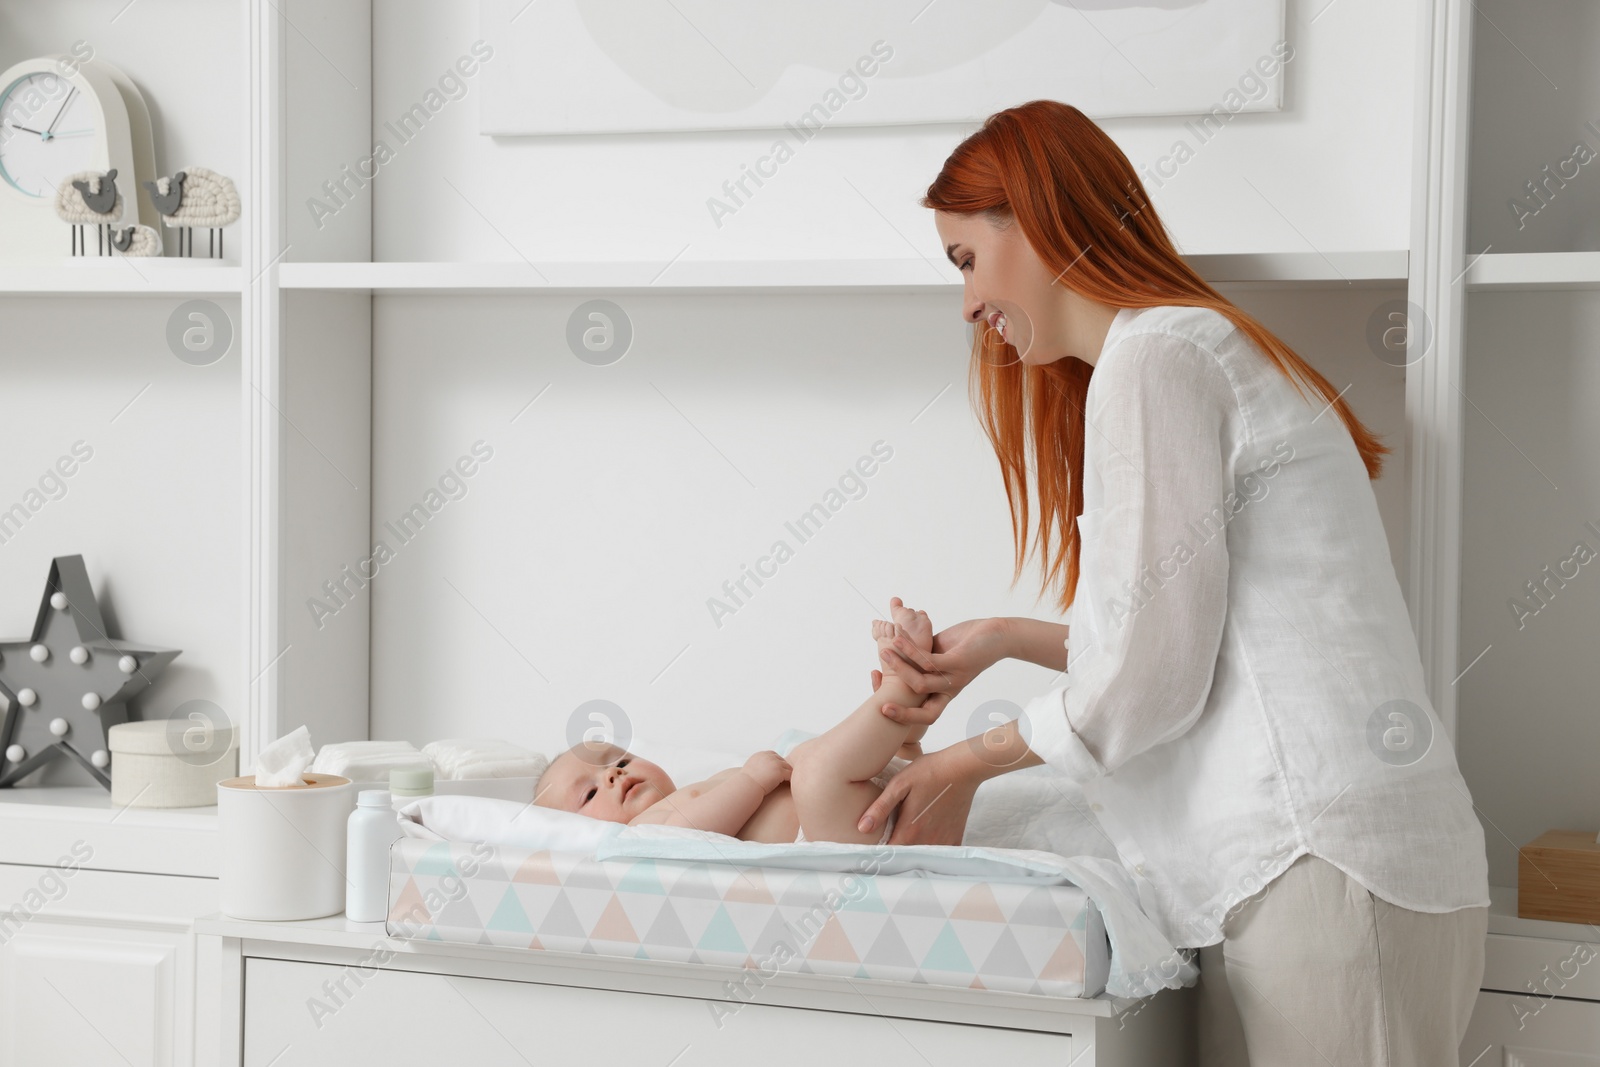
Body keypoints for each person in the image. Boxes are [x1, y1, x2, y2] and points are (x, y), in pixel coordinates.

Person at [848, 99, 1490, 1066]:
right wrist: (1001, 639)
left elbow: (1152, 678)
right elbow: (1201, 637)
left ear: (1034, 215)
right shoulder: (1189, 350)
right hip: (1328, 870)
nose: (968, 303)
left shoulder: (1160, 358)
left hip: (1326, 868)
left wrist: (959, 764)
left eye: (966, 259)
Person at [533, 600, 936, 846]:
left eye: (620, 761)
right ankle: (900, 691)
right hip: (829, 833)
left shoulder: (689, 790)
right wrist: (752, 782)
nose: (614, 776)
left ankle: (904, 738)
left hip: (867, 811)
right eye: (588, 794)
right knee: (814, 772)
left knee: (806, 756)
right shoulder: (644, 834)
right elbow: (691, 834)